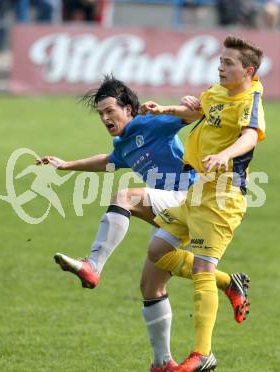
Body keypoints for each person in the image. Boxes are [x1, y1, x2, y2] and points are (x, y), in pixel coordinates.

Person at [38, 75, 250, 325]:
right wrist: (65, 165)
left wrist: (190, 105)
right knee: (150, 287)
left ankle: (93, 265)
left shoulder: (152, 121)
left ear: (128, 109)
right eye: (100, 114)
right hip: (170, 208)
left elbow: (198, 116)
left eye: (109, 111)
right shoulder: (123, 144)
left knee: (124, 197)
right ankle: (165, 361)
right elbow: (108, 161)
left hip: (191, 198)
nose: (105, 118)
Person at [139, 35, 265, 371]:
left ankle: (202, 353)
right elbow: (197, 111)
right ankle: (230, 283)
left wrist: (225, 153)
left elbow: (250, 134)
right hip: (197, 192)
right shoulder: (218, 92)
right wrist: (165, 109)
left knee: (201, 269)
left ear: (248, 71)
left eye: (228, 63)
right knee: (158, 252)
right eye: (221, 61)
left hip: (223, 196)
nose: (220, 66)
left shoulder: (251, 98)